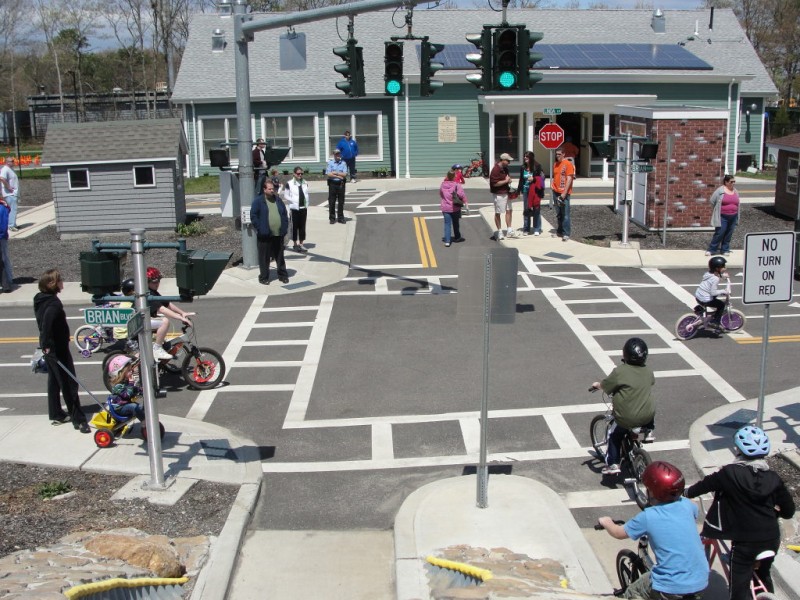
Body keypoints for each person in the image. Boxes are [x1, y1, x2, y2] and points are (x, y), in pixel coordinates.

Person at [685, 426, 795, 600]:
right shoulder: (774, 478)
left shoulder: (729, 473)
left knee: (739, 588)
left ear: (738, 450)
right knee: (764, 572)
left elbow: (703, 486)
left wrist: (684, 494)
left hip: (745, 542)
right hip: (770, 538)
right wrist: (775, 513)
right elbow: (789, 511)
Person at [598, 461, 708, 600]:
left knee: (632, 592)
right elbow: (694, 506)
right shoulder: (687, 505)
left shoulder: (649, 516)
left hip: (671, 586)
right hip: (700, 581)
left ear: (653, 491)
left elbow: (618, 533)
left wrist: (607, 522)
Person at [33, 269, 90, 433]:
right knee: (69, 383)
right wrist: (46, 343)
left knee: (54, 381)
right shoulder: (53, 303)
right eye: (60, 280)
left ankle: (56, 413)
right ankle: (78, 420)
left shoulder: (39, 299)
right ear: (53, 284)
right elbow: (46, 323)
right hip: (57, 349)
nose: (62, 282)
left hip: (50, 348)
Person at [590, 337, 655, 475]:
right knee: (647, 405)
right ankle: (649, 431)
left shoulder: (620, 371)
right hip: (648, 417)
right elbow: (650, 382)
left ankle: (613, 464)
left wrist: (597, 385)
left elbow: (606, 385)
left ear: (625, 354)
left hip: (627, 418)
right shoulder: (648, 371)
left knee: (613, 435)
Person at [146, 266, 194, 359]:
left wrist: (182, 313)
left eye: (158, 280)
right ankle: (157, 349)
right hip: (140, 322)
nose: (157, 283)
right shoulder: (148, 293)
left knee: (161, 319)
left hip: (146, 319)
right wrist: (180, 318)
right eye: (154, 282)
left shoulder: (153, 291)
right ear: (146, 282)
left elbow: (167, 303)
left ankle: (159, 344)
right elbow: (162, 309)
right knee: (164, 321)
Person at [250, 179, 289, 285]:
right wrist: (261, 229)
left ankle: (282, 275)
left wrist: (284, 227)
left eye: (273, 188)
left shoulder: (278, 200)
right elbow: (253, 216)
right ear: (264, 189)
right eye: (270, 189)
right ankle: (264, 277)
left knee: (280, 257)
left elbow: (284, 214)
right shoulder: (258, 201)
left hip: (278, 234)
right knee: (264, 258)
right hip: (265, 235)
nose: (272, 190)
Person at [706, 175, 740, 257]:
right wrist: (717, 209)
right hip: (722, 216)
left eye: (734, 181)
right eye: (731, 182)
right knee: (720, 233)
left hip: (733, 216)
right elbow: (712, 201)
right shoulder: (720, 191)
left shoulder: (735, 191)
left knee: (729, 233)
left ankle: (725, 249)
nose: (733, 183)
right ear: (726, 182)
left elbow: (737, 202)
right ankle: (712, 249)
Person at [106, 355, 145, 422]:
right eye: (129, 370)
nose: (131, 372)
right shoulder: (117, 386)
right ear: (121, 373)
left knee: (142, 407)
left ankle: (146, 420)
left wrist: (140, 390)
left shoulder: (125, 382)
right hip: (119, 408)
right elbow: (127, 395)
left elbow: (133, 389)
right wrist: (131, 384)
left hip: (125, 405)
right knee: (134, 407)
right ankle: (144, 422)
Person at [695, 256, 729, 331]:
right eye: (723, 266)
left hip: (698, 296)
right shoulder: (715, 279)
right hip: (705, 299)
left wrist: (723, 276)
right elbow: (713, 293)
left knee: (715, 299)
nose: (725, 268)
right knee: (721, 305)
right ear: (717, 268)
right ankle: (715, 322)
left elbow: (714, 277)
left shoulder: (708, 274)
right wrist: (723, 291)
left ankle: (702, 312)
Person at [281, 166, 310, 253]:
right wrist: (293, 200)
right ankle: (295, 244)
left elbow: (306, 194)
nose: (300, 175)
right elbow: (286, 195)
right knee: (294, 227)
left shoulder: (305, 182)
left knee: (302, 226)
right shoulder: (289, 183)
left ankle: (301, 244)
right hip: (294, 208)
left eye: (301, 173)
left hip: (303, 208)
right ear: (294, 174)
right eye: (298, 173)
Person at [517, 151, 545, 237]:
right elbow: (521, 180)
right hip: (526, 191)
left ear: (531, 158)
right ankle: (526, 229)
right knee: (526, 210)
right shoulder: (523, 167)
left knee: (536, 209)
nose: (525, 158)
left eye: (527, 157)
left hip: (535, 191)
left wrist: (534, 179)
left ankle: (537, 228)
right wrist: (518, 190)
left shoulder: (537, 166)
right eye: (524, 156)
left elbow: (542, 178)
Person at [439, 169, 468, 247]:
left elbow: (441, 194)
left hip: (445, 207)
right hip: (455, 207)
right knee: (456, 223)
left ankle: (447, 241)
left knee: (447, 224)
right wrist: (466, 202)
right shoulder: (457, 185)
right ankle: (457, 237)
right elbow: (461, 195)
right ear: (454, 176)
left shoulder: (442, 184)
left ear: (447, 176)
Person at [551, 147, 575, 241]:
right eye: (556, 154)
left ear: (564, 154)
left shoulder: (568, 164)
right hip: (555, 191)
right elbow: (555, 176)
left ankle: (566, 233)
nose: (557, 156)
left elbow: (569, 179)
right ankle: (560, 231)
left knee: (565, 214)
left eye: (559, 154)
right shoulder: (555, 164)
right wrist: (553, 186)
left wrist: (564, 193)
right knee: (559, 213)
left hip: (564, 193)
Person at [489, 153, 514, 240]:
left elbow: (507, 179)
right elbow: (495, 184)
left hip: (506, 192)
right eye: (507, 161)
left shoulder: (505, 169)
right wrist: (506, 181)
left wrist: (509, 180)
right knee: (498, 213)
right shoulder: (495, 170)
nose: (509, 162)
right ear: (502, 160)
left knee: (509, 211)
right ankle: (500, 231)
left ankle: (509, 230)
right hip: (499, 194)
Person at [325, 149, 349, 224]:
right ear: (334, 155)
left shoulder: (343, 163)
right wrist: (339, 176)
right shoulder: (330, 163)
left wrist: (335, 173)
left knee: (341, 202)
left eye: (338, 154)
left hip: (341, 184)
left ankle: (340, 218)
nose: (337, 155)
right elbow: (328, 174)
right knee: (332, 202)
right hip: (332, 184)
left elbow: (345, 174)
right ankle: (332, 218)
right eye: (336, 154)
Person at [0, 156, 19, 232]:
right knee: (13, 209)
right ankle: (11, 225)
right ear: (7, 162)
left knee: (14, 209)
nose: (13, 162)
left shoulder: (10, 169)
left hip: (13, 193)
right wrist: (9, 187)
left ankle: (13, 224)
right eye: (12, 161)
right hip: (9, 194)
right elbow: (2, 178)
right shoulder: (5, 169)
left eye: (13, 161)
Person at [0, 197, 13, 292]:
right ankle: (7, 283)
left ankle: (7, 282)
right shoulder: (4, 207)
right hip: (2, 237)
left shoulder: (2, 208)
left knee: (3, 260)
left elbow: (3, 226)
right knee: (3, 260)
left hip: (1, 237)